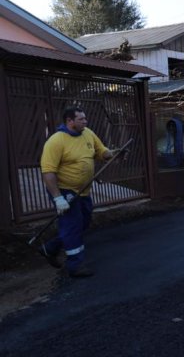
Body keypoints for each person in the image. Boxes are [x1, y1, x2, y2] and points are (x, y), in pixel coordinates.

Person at [40, 107, 122, 278]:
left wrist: (114, 154)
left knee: (83, 222)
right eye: (81, 119)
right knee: (73, 225)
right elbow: (48, 172)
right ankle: (75, 265)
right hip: (65, 190)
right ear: (69, 121)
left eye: (85, 118)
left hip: (84, 191)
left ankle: (50, 248)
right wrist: (58, 198)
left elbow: (102, 152)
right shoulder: (56, 141)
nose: (85, 121)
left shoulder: (88, 133)